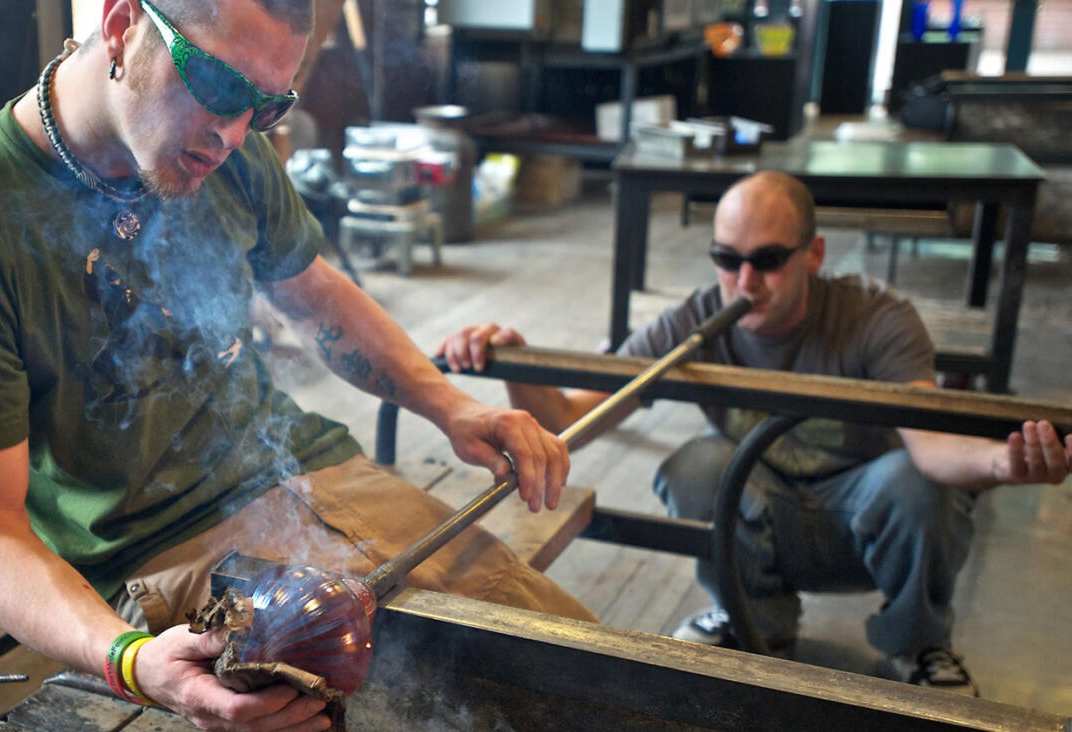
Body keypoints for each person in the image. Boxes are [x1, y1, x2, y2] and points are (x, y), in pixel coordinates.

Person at [0, 0, 595, 732]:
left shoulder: (228, 142)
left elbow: (314, 295)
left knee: (576, 660)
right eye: (218, 86)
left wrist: (452, 406)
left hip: (319, 478)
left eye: (268, 104)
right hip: (162, 554)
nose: (232, 133)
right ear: (124, 25)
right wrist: (129, 661)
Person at [439, 170, 1071, 695]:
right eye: (727, 259)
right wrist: (512, 362)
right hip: (766, 508)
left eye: (768, 260)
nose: (745, 282)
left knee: (916, 483)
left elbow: (932, 449)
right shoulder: (697, 320)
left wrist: (1003, 464)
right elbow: (574, 420)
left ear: (813, 255)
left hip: (867, 519)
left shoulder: (876, 318)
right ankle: (752, 621)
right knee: (697, 465)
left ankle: (919, 643)